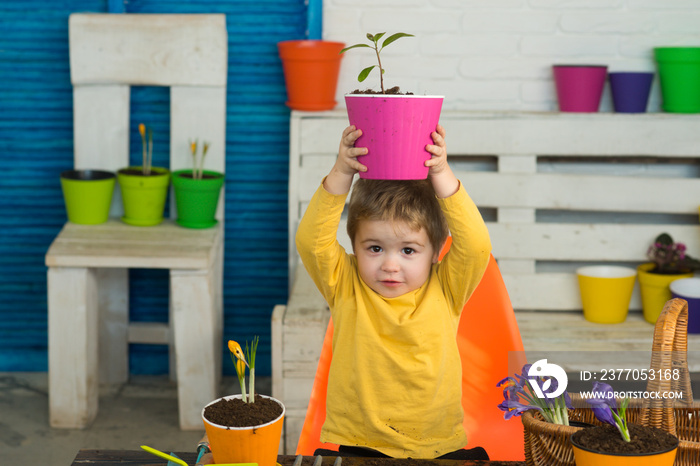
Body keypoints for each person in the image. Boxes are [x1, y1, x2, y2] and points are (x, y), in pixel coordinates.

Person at [294, 124, 492, 460]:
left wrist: (441, 173)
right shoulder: (346, 282)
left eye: (408, 251)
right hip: (361, 442)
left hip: (436, 444)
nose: (389, 265)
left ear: (436, 252)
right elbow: (311, 242)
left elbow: (475, 246)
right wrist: (342, 170)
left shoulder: (446, 289)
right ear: (354, 245)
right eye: (374, 248)